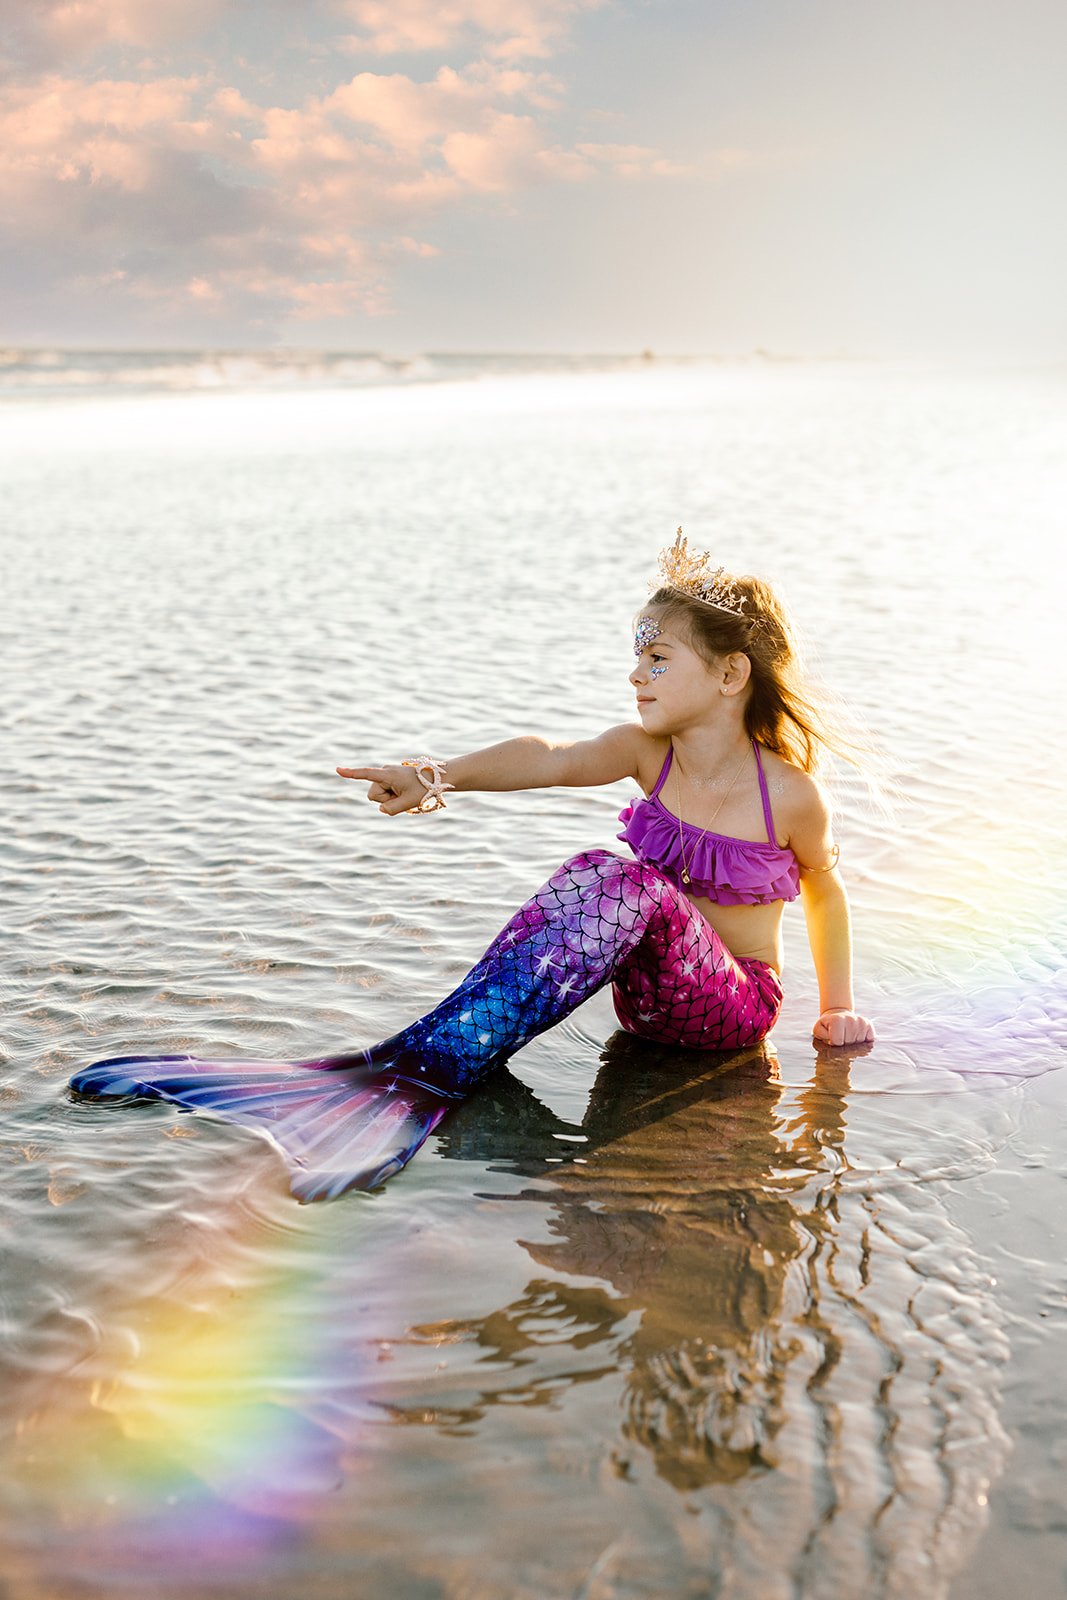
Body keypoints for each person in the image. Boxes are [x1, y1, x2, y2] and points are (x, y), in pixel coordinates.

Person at [71, 531, 874, 1200]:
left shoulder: (788, 794)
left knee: (623, 876)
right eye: (636, 656)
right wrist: (435, 775)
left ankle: (431, 1070)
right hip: (644, 1012)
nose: (635, 674)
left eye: (658, 658)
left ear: (731, 674)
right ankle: (417, 1059)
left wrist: (834, 1011)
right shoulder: (644, 754)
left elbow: (824, 893)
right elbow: (551, 755)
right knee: (599, 871)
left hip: (731, 1012)